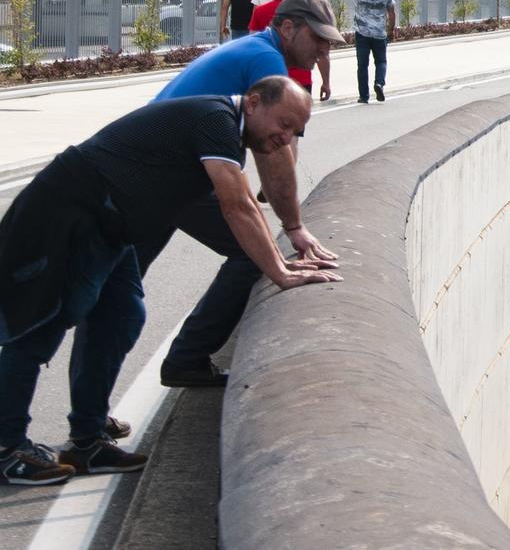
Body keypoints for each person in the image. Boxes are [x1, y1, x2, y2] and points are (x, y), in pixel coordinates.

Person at [0, 78, 336, 484]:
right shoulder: (217, 120)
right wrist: (279, 271)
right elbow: (236, 205)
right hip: (65, 214)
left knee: (121, 317)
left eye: (295, 132)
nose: (285, 139)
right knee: (38, 328)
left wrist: (281, 255)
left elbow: (246, 202)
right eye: (283, 124)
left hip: (111, 227)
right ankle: (7, 448)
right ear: (252, 102)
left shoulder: (229, 125)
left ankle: (87, 441)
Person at [147, 0, 346, 386]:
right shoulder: (266, 61)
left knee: (117, 293)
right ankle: (186, 359)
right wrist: (292, 229)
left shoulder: (256, 49)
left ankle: (90, 423)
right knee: (250, 251)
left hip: (161, 168)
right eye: (318, 38)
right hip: (166, 171)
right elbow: (274, 157)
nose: (324, 49)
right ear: (288, 28)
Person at [342, 0, 398, 103]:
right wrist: (391, 30)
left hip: (362, 34)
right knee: (381, 61)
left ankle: (364, 96)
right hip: (380, 34)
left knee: (362, 65)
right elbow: (392, 12)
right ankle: (379, 83)